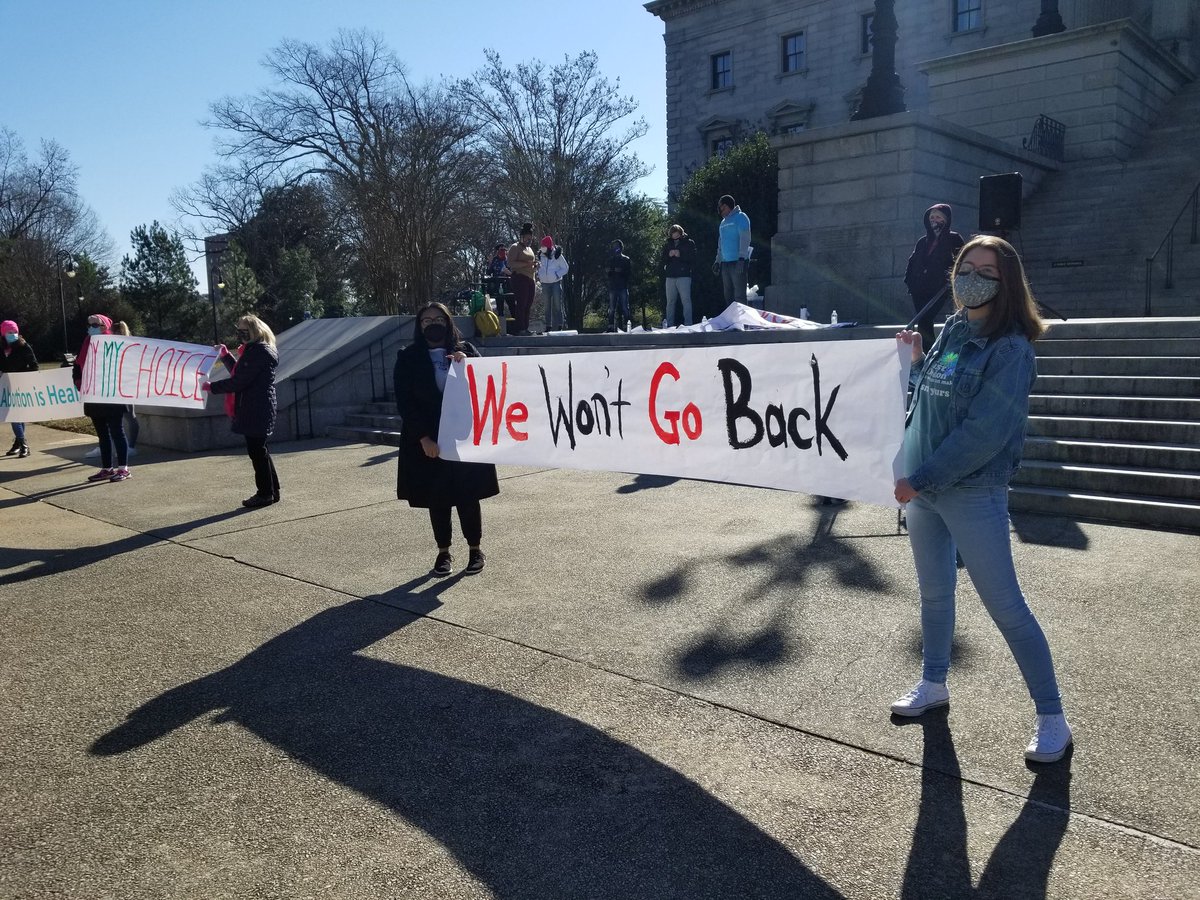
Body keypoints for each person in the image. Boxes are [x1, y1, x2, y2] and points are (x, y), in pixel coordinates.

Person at [892, 234, 1071, 764]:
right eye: (965, 267)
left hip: (969, 490)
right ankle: (933, 682)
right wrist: (919, 360)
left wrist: (919, 478)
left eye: (985, 271)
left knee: (1007, 607)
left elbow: (984, 434)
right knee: (934, 596)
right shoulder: (952, 328)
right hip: (924, 488)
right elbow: (931, 394)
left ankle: (1052, 717)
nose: (970, 277)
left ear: (1006, 283)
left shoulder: (1012, 350)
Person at [394, 302, 499, 577]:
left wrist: (468, 366)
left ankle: (475, 549)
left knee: (468, 495)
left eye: (437, 319)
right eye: (426, 320)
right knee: (436, 497)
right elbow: (405, 402)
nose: (432, 324)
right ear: (419, 326)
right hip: (429, 439)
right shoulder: (408, 357)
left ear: (448, 322)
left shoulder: (465, 351)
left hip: (462, 436)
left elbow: (485, 385)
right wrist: (422, 437)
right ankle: (443, 552)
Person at [205, 315, 280, 508]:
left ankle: (265, 494)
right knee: (260, 450)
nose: (240, 335)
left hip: (255, 407)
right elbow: (241, 373)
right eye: (238, 330)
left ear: (255, 330)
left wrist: (212, 387)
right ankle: (272, 491)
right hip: (257, 406)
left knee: (257, 451)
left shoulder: (258, 352)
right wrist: (225, 355)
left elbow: (239, 381)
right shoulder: (258, 350)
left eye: (243, 331)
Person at [72, 314, 132, 483]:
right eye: (89, 324)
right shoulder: (86, 344)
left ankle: (123, 468)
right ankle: (107, 468)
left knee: (117, 432)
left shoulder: (114, 344)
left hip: (111, 397)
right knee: (102, 435)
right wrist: (78, 382)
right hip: (93, 396)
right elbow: (77, 366)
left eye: (95, 324)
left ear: (105, 326)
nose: (91, 327)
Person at [904, 203, 966, 351]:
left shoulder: (954, 239)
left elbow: (960, 261)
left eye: (938, 217)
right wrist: (910, 282)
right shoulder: (922, 241)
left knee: (926, 318)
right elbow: (912, 262)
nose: (934, 220)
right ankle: (926, 352)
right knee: (924, 322)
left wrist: (950, 281)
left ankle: (929, 352)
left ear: (946, 219)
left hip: (940, 288)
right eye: (932, 217)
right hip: (919, 288)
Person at [86, 320, 139, 460]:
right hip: (114, 387)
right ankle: (120, 446)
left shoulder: (127, 345)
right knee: (119, 420)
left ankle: (129, 447)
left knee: (125, 418)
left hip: (124, 386)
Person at [1, 320, 38, 458]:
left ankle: (23, 444)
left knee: (15, 415)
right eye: (10, 332)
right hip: (6, 385)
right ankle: (19, 443)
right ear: (3, 333)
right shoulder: (2, 348)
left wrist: (23, 375)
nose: (13, 334)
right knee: (16, 415)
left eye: (15, 332)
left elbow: (34, 366)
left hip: (21, 385)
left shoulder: (24, 346)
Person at [714, 194, 751, 304]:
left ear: (727, 206)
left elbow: (745, 238)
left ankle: (742, 320)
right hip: (725, 263)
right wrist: (717, 261)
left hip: (738, 262)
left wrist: (742, 258)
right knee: (728, 295)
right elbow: (721, 244)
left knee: (739, 295)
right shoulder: (723, 222)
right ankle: (731, 320)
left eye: (722, 207)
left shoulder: (741, 217)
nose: (720, 209)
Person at [661, 224, 696, 326]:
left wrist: (680, 255)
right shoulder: (668, 244)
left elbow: (693, 258)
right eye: (672, 234)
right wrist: (668, 255)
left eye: (676, 234)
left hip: (684, 275)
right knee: (670, 302)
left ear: (681, 233)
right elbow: (662, 259)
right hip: (670, 276)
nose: (674, 236)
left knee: (686, 300)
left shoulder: (689, 243)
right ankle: (669, 325)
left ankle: (688, 324)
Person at [506, 224, 539, 336]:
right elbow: (511, 263)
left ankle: (526, 327)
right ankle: (520, 328)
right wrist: (526, 264)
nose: (529, 241)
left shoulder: (530, 249)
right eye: (527, 238)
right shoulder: (515, 247)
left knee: (528, 304)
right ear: (522, 237)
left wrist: (535, 266)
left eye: (531, 239)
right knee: (522, 303)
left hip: (531, 278)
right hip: (520, 278)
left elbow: (531, 263)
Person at [537, 235, 569, 330]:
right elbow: (539, 267)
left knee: (557, 305)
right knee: (547, 306)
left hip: (555, 283)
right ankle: (548, 325)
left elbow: (565, 268)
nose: (542, 248)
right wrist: (539, 274)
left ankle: (560, 325)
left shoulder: (557, 255)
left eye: (544, 246)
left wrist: (557, 275)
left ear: (549, 247)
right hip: (544, 283)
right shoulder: (540, 255)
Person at [606, 239, 633, 331]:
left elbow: (629, 273)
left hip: (622, 286)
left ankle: (627, 326)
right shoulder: (611, 260)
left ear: (621, 248)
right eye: (614, 247)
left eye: (617, 246)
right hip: (613, 286)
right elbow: (607, 273)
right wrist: (609, 271)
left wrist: (621, 272)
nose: (615, 248)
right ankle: (610, 327)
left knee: (625, 307)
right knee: (611, 308)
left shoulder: (626, 259)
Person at [484, 244, 511, 319]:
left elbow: (514, 271)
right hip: (498, 285)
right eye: (501, 250)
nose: (503, 252)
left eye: (504, 250)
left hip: (508, 284)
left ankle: (515, 321)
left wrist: (508, 272)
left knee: (511, 302)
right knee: (499, 302)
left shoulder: (509, 259)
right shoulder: (494, 260)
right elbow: (488, 272)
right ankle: (501, 317)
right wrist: (489, 263)